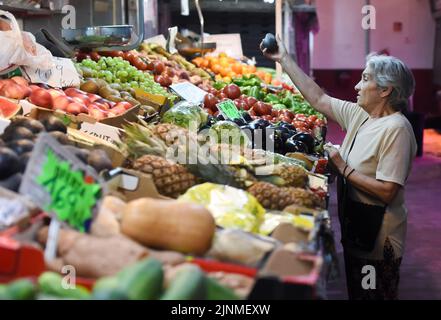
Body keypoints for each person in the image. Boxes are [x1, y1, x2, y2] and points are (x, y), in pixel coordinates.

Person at [261, 36, 417, 300]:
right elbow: (319, 98)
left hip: (379, 239)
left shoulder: (397, 129)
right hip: (358, 228)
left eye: (365, 79)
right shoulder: (362, 114)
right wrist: (284, 59)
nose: (357, 85)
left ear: (385, 90)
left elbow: (388, 191)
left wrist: (342, 167)